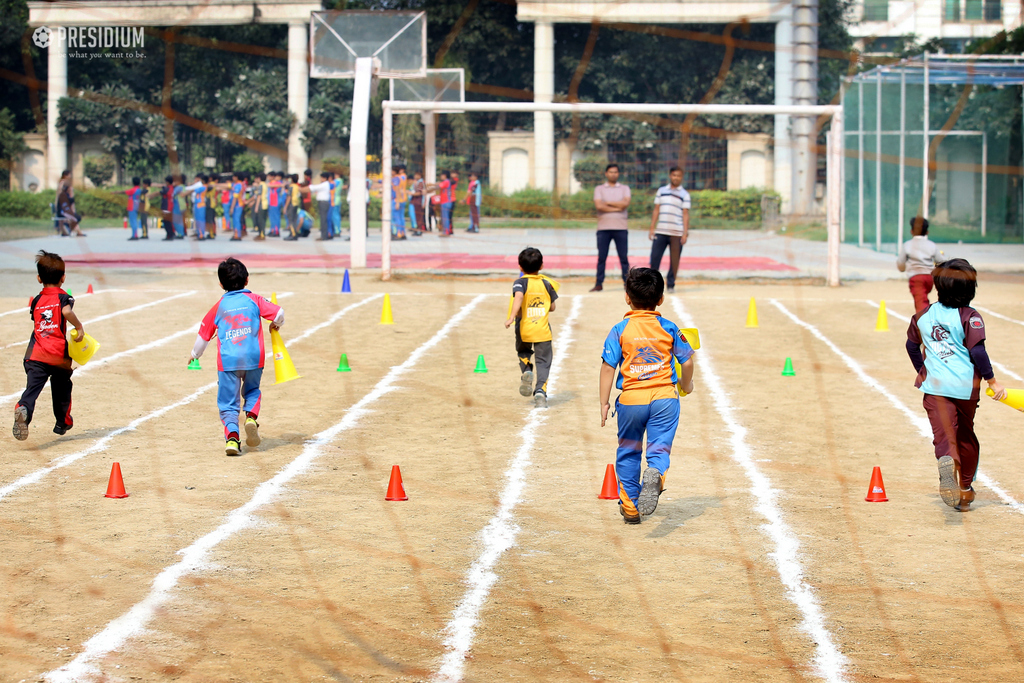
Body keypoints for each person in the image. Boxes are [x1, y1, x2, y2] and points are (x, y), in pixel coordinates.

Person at [906, 258, 1007, 511]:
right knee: (965, 434)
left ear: (939, 287)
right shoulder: (970, 317)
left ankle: (947, 459)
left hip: (935, 387)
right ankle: (964, 487)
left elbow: (911, 345)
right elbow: (978, 353)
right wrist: (993, 382)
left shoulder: (923, 316)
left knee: (944, 434)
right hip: (964, 388)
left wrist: (922, 369)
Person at [599, 267, 695, 524]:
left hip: (631, 400)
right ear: (660, 298)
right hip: (665, 398)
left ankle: (630, 506)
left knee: (629, 450)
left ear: (627, 297)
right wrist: (687, 385)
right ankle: (655, 473)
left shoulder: (620, 329)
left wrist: (604, 402)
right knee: (659, 448)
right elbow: (687, 361)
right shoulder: (669, 327)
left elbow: (608, 366)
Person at [190, 258, 285, 456]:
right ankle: (251, 416)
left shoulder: (219, 306)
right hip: (254, 358)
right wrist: (276, 325)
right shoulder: (255, 300)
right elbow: (279, 313)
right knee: (252, 390)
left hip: (228, 362)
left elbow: (203, 335)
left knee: (228, 402)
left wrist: (194, 355)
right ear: (247, 280)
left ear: (221, 284)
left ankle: (232, 438)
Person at [13, 251, 86, 441]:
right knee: (62, 387)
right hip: (57, 355)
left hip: (35, 354)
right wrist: (78, 326)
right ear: (63, 278)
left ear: (39, 278)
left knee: (32, 389)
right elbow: (66, 311)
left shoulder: (37, 300)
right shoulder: (63, 298)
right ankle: (63, 421)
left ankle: (23, 409)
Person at [504, 247, 558, 408]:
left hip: (524, 327)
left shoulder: (520, 283)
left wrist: (512, 317)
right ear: (541, 266)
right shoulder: (547, 283)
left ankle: (527, 370)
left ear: (520, 267)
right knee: (543, 361)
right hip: (542, 329)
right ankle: (540, 391)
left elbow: (519, 296)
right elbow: (553, 307)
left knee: (523, 351)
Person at [648, 166, 690, 294]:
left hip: (676, 233)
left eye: (678, 175)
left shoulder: (684, 194)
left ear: (681, 177)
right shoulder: (661, 191)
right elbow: (656, 209)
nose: (676, 178)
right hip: (661, 231)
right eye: (674, 175)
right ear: (670, 176)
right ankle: (653, 285)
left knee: (674, 261)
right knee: (654, 259)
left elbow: (685, 214)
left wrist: (685, 232)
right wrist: (652, 227)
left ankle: (671, 284)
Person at [591, 163, 631, 292]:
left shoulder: (625, 188)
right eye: (611, 172)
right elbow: (599, 206)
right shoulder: (599, 188)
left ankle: (627, 283)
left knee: (623, 258)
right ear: (606, 173)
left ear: (618, 174)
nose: (613, 174)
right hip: (603, 228)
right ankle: (599, 283)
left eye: (615, 172)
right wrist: (617, 207)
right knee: (602, 257)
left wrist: (607, 203)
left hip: (621, 228)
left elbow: (625, 204)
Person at [898, 216, 943, 313]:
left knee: (920, 302)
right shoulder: (931, 245)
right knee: (923, 298)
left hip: (916, 278)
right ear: (927, 232)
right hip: (930, 278)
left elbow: (900, 263)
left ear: (911, 231)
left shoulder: (908, 245)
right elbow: (941, 261)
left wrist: (902, 268)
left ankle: (924, 324)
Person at [56, 171, 85, 237]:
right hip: (62, 211)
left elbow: (71, 202)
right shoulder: (62, 191)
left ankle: (69, 231)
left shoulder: (68, 195)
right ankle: (77, 232)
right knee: (74, 218)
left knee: (76, 217)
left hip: (65, 210)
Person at [307, 171, 333, 241]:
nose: (320, 179)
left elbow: (315, 187)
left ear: (325, 178)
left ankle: (324, 236)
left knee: (323, 220)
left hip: (323, 203)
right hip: (323, 203)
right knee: (323, 219)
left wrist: (303, 189)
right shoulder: (325, 184)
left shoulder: (324, 184)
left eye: (321, 177)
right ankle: (325, 235)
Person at [182, 174, 208, 240]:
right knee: (198, 220)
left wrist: (184, 193)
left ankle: (201, 235)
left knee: (200, 220)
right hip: (198, 204)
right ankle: (199, 234)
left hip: (200, 205)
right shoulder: (203, 186)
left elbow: (193, 189)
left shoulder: (203, 187)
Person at [390, 166, 408, 240]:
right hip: (403, 199)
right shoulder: (403, 177)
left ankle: (398, 233)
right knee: (401, 217)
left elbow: (397, 190)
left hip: (397, 200)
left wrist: (397, 202)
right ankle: (402, 233)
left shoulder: (396, 178)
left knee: (396, 217)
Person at [283, 174, 302, 241]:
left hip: (291, 204)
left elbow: (289, 197)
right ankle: (292, 233)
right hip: (296, 204)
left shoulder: (291, 187)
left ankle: (293, 235)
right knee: (294, 220)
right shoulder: (297, 186)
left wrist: (285, 207)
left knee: (291, 220)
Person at [228, 172, 245, 241]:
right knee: (235, 220)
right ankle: (235, 234)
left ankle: (237, 235)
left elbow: (235, 197)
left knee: (236, 220)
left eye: (234, 176)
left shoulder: (238, 185)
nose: (233, 178)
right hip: (236, 205)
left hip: (238, 205)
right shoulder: (235, 184)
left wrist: (232, 207)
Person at [125, 177, 142, 241]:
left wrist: (115, 192)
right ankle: (135, 234)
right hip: (136, 205)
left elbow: (125, 192)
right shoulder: (139, 189)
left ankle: (134, 235)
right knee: (134, 220)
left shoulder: (133, 190)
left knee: (133, 221)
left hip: (132, 206)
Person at [161, 175, 176, 241]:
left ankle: (170, 234)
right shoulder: (172, 188)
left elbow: (162, 192)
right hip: (170, 206)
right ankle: (170, 234)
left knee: (167, 222)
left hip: (167, 206)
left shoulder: (167, 189)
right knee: (167, 221)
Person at [410, 171, 426, 235]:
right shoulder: (418, 182)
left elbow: (419, 193)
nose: (415, 176)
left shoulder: (420, 183)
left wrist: (411, 193)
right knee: (417, 217)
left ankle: (419, 230)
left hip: (418, 201)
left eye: (416, 175)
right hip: (417, 201)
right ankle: (418, 229)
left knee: (419, 217)